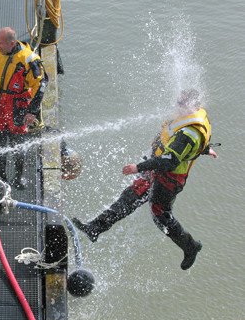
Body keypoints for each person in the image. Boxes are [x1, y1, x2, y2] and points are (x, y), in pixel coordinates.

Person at [73, 89, 217, 270]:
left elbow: (170, 161)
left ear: (192, 106)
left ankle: (190, 246)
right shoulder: (189, 119)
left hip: (169, 179)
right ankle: (95, 228)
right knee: (131, 196)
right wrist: (205, 149)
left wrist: (138, 167)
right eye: (177, 102)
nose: (176, 106)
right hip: (157, 171)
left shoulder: (189, 133)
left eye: (181, 103)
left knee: (160, 215)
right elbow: (189, 145)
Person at [0, 27, 47, 189]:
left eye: (0, 43)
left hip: (18, 104)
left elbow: (40, 85)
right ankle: (0, 177)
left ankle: (19, 177)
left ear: (12, 43)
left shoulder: (29, 60)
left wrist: (32, 111)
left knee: (18, 144)